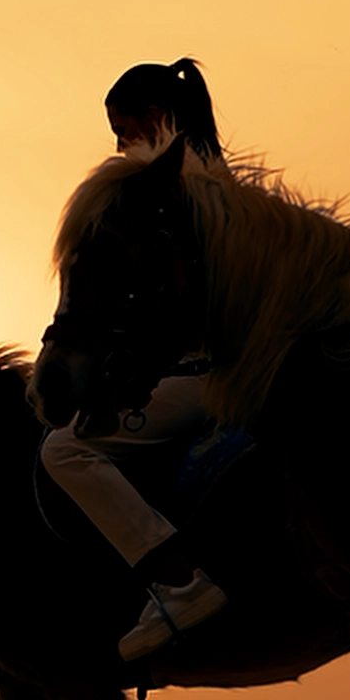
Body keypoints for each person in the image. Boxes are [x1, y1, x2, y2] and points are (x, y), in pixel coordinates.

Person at [43, 60, 235, 660]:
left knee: (64, 449)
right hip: (207, 368)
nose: (120, 146)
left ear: (153, 118)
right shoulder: (215, 184)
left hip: (205, 376)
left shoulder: (174, 201)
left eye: (122, 131)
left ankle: (179, 581)